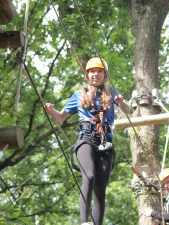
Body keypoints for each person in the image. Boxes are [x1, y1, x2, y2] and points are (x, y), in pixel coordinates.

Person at [45, 57, 131, 225]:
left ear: (104, 75)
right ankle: (84, 221)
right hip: (86, 138)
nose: (95, 74)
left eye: (99, 71)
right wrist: (51, 110)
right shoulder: (79, 95)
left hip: (104, 141)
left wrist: (121, 102)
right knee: (89, 176)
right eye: (92, 71)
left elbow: (128, 110)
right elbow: (61, 117)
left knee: (101, 186)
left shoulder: (111, 93)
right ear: (87, 74)